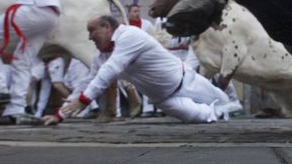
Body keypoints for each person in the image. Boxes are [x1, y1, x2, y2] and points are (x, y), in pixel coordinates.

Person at [43, 15, 233, 125]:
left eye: (92, 30)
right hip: (164, 100)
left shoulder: (130, 35)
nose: (90, 37)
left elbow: (111, 69)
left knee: (227, 104)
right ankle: (218, 113)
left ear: (107, 27)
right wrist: (60, 115)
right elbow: (86, 82)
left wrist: (84, 101)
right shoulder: (101, 56)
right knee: (202, 117)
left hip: (186, 81)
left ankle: (226, 111)